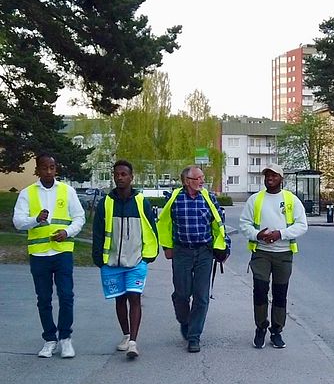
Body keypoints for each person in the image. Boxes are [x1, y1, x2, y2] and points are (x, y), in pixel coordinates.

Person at [12, 153, 86, 358]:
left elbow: (79, 217)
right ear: (38, 170)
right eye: (44, 168)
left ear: (56, 169)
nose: (48, 171)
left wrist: (67, 232)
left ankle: (65, 338)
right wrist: (35, 219)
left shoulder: (67, 190)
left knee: (66, 295)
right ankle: (49, 339)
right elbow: (18, 222)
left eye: (52, 167)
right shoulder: (27, 193)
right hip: (39, 254)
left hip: (62, 252)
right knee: (43, 298)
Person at [157, 166, 230, 353]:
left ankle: (194, 336)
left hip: (204, 252)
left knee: (201, 296)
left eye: (202, 177)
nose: (201, 181)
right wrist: (167, 247)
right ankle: (184, 320)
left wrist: (224, 247)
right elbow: (163, 224)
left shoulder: (209, 197)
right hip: (182, 251)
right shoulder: (175, 199)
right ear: (186, 181)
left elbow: (219, 224)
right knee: (182, 294)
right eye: (198, 178)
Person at [92, 160, 158, 359]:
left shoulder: (141, 202)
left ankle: (133, 342)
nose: (119, 177)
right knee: (119, 299)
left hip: (136, 261)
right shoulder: (106, 202)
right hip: (112, 262)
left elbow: (150, 230)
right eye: (117, 174)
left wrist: (148, 256)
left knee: (134, 297)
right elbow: (98, 232)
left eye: (123, 174)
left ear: (131, 177)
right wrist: (99, 258)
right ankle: (126, 334)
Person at [239, 163, 308, 349]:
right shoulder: (255, 200)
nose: (270, 178)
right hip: (261, 253)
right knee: (260, 291)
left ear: (281, 178)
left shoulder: (291, 200)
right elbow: (244, 224)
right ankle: (260, 328)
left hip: (283, 254)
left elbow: (302, 225)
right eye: (267, 175)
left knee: (280, 293)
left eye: (274, 175)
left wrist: (280, 234)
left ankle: (277, 331)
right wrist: (258, 235)